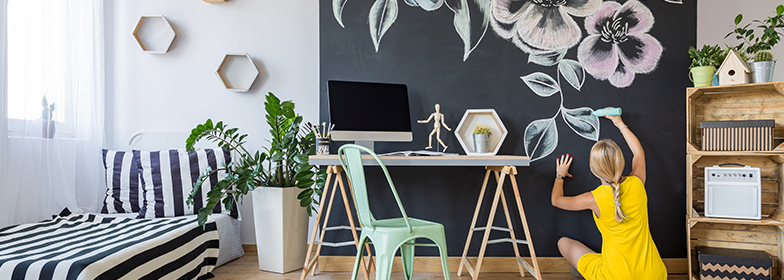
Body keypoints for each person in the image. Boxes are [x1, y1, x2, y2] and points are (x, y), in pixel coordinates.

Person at [550, 111, 666, 280]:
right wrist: (620, 123)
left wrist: (560, 175)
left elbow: (556, 200)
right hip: (653, 274)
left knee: (563, 242)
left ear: (593, 169)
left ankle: (586, 270)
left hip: (615, 276)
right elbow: (638, 151)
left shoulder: (593, 199)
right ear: (621, 162)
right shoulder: (637, 183)